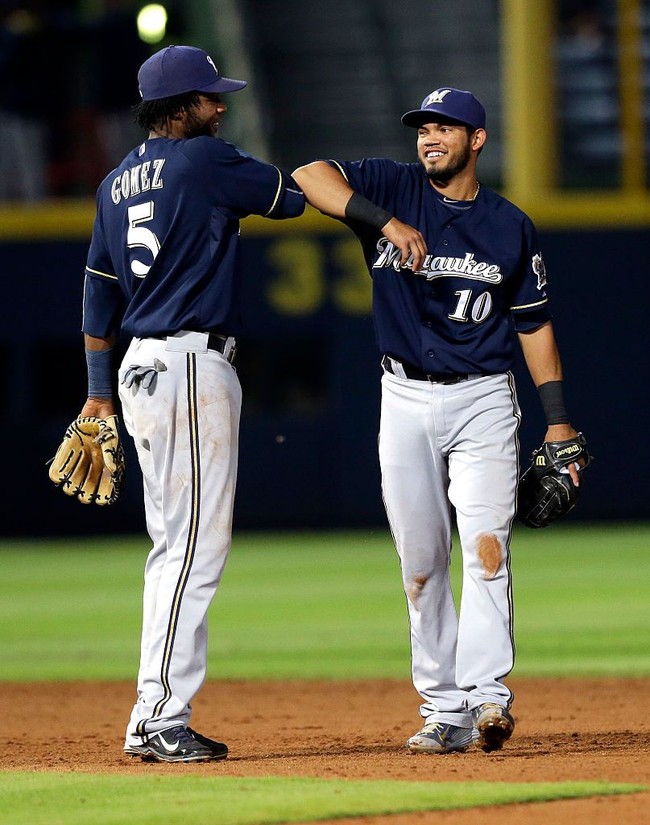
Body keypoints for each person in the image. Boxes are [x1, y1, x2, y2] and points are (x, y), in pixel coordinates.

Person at [292, 88, 584, 754]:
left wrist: (559, 421)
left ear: (477, 140)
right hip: (403, 397)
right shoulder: (392, 187)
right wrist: (382, 221)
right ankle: (444, 707)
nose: (429, 137)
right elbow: (309, 176)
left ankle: (488, 697)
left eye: (445, 128)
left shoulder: (510, 224)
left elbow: (533, 324)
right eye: (423, 128)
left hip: (483, 397)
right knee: (421, 563)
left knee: (486, 550)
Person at [77, 44, 304, 763]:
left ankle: (157, 707)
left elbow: (96, 293)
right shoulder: (204, 161)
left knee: (173, 547)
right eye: (209, 98)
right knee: (192, 549)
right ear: (179, 110)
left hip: (141, 370)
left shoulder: (113, 184)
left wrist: (95, 395)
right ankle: (158, 716)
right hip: (187, 364)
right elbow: (288, 199)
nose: (221, 106)